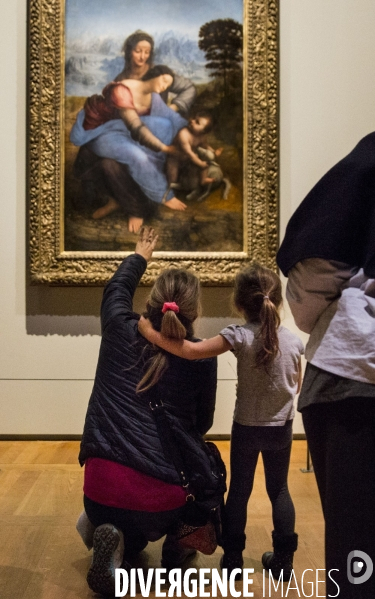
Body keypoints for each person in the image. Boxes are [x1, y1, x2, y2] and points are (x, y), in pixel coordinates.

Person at [77, 227, 218, 596]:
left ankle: (110, 535)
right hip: (162, 500)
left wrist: (140, 255)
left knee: (106, 516)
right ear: (194, 311)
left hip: (98, 489)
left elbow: (116, 290)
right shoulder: (200, 355)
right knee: (210, 467)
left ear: (152, 301)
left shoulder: (119, 328)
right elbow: (201, 425)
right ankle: (177, 544)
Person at [139, 263, 304, 578]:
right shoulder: (294, 342)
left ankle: (232, 561)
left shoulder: (238, 335)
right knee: (279, 489)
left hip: (246, 428)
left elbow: (191, 351)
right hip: (280, 428)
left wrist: (149, 332)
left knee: (240, 491)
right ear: (278, 302)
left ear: (239, 304)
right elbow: (296, 385)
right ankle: (283, 562)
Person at [277, 132, 375, 597]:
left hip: (350, 374)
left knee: (356, 547)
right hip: (352, 376)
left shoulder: (367, 160)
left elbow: (312, 270)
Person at [73, 30, 197, 231]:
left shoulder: (159, 77)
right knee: (114, 163)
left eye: (147, 52)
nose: (142, 57)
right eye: (138, 51)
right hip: (120, 132)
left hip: (139, 132)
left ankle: (141, 195)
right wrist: (163, 148)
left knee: (160, 135)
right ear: (129, 51)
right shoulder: (122, 83)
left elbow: (175, 108)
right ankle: (132, 205)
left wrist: (176, 109)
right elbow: (133, 125)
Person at [165, 111, 215, 190]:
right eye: (194, 118)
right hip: (175, 158)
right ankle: (170, 191)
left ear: (203, 131)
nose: (192, 121)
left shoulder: (202, 136)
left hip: (189, 159)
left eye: (197, 122)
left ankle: (203, 180)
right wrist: (200, 163)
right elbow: (189, 153)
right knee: (172, 179)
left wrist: (213, 151)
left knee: (202, 167)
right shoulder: (183, 134)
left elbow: (204, 145)